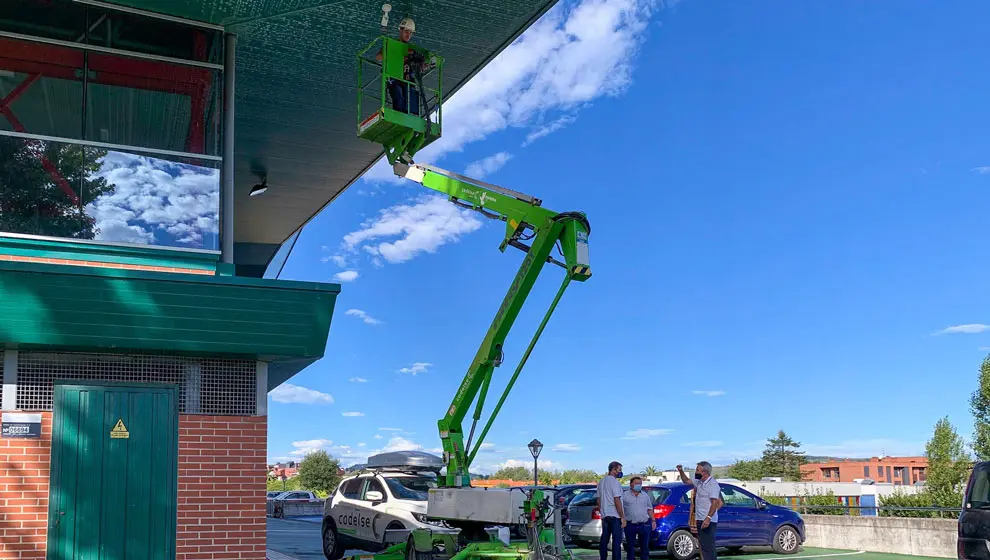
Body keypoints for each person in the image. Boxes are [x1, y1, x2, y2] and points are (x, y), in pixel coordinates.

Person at [375, 18, 423, 115]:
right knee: (399, 96)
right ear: (400, 30)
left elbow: (420, 67)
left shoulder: (412, 49)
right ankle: (399, 117)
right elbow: (378, 57)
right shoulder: (392, 44)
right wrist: (392, 51)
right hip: (395, 79)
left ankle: (404, 119)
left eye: (410, 32)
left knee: (410, 103)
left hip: (408, 81)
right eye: (406, 31)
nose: (408, 35)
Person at [677, 462, 722, 560]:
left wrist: (708, 518)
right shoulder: (699, 482)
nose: (695, 471)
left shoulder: (713, 484)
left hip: (708, 521)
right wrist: (681, 471)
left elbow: (715, 503)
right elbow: (686, 481)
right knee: (702, 545)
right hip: (699, 518)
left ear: (705, 472)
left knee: (708, 547)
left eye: (697, 470)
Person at [597, 461, 625, 560]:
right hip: (615, 515)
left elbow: (599, 499)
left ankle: (603, 558)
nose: (620, 472)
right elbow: (617, 499)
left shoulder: (601, 482)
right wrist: (622, 517)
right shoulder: (614, 482)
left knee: (604, 540)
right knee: (616, 542)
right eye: (619, 470)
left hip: (605, 515)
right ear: (614, 470)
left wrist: (602, 512)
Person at [621, 476, 655, 560]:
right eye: (636, 483)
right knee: (630, 547)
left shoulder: (645, 496)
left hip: (644, 524)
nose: (638, 485)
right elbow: (620, 508)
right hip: (630, 524)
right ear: (631, 484)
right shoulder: (624, 496)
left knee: (644, 547)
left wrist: (653, 520)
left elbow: (649, 509)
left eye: (640, 484)